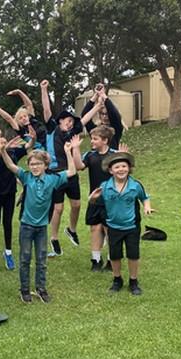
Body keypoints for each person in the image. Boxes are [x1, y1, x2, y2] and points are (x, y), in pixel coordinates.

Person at [0, 140, 77, 304]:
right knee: (25, 258)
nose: (34, 167)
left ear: (45, 165)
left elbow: (71, 171)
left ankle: (41, 289)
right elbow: (11, 166)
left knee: (41, 260)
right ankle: (25, 290)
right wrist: (3, 151)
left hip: (42, 227)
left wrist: (68, 151)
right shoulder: (26, 177)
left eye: (38, 164)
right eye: (32, 164)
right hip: (26, 225)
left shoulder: (53, 179)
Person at [39, 79, 103, 256]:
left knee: (76, 205)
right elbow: (46, 109)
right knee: (58, 209)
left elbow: (84, 119)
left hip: (71, 173)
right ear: (60, 121)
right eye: (67, 120)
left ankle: (72, 230)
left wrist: (97, 106)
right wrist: (44, 89)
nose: (70, 123)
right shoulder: (52, 128)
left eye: (70, 121)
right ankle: (54, 238)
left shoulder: (72, 133)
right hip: (56, 174)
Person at [89, 152, 153, 295]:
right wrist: (92, 198)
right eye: (117, 167)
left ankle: (133, 281)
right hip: (113, 227)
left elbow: (145, 197)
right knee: (115, 255)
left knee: (133, 255)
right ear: (111, 170)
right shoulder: (105, 186)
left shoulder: (135, 185)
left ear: (129, 168)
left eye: (124, 166)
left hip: (131, 227)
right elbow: (94, 201)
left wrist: (147, 207)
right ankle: (117, 279)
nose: (121, 169)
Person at [0, 128, 36, 270]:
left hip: (10, 193)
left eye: (4, 141)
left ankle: (8, 253)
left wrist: (33, 138)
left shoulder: (13, 153)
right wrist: (1, 148)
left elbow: (28, 146)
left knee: (7, 223)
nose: (2, 144)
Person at [71, 126, 120, 272]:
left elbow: (124, 172)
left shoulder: (114, 155)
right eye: (92, 138)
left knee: (109, 230)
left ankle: (112, 261)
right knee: (95, 228)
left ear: (105, 140)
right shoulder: (90, 155)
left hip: (111, 200)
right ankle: (96, 260)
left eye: (95, 139)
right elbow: (79, 166)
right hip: (94, 199)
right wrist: (75, 149)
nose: (92, 141)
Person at [81, 83, 124, 149]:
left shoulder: (116, 128)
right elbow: (85, 115)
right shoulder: (95, 130)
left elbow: (114, 114)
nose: (104, 117)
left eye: (106, 114)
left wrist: (104, 96)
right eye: (102, 114)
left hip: (111, 158)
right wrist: (95, 96)